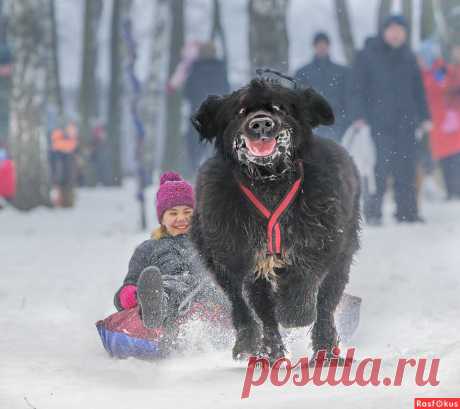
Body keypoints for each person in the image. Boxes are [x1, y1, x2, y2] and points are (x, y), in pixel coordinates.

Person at [114, 172, 226, 333]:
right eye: (173, 213)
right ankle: (155, 309)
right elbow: (128, 287)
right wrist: (134, 295)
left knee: (218, 287)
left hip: (205, 292)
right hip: (170, 293)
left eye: (188, 212)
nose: (181, 218)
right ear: (162, 219)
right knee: (167, 288)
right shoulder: (148, 248)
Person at [349, 15, 431, 225]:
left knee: (406, 167)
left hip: (406, 122)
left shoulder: (409, 57)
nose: (396, 34)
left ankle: (407, 212)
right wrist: (359, 116)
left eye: (400, 30)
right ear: (384, 31)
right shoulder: (367, 55)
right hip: (378, 123)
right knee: (379, 168)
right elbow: (356, 89)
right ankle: (373, 212)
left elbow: (418, 91)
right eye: (392, 29)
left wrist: (425, 116)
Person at [183, 42, 230, 175]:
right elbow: (225, 89)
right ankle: (216, 170)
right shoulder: (220, 67)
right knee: (217, 143)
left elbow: (187, 91)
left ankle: (194, 169)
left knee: (194, 144)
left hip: (198, 113)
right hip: (216, 113)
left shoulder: (195, 68)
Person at [294, 32, 349, 141]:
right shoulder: (303, 72)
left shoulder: (341, 72)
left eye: (324, 44)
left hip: (336, 122)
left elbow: (347, 96)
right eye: (319, 45)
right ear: (314, 47)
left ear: (329, 46)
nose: (322, 47)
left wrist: (345, 118)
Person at [422, 43, 460, 200]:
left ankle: (454, 190)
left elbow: (445, 87)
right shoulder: (433, 72)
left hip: (450, 118)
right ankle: (452, 190)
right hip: (438, 120)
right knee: (446, 156)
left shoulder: (442, 70)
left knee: (453, 156)